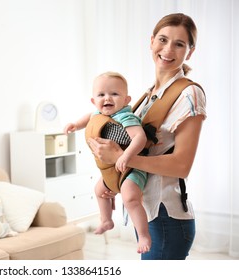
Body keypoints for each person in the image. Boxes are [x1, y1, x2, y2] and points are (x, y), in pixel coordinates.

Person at [87, 13, 206, 260]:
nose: (168, 49)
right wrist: (116, 178)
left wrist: (122, 158)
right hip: (150, 211)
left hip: (167, 217)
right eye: (162, 39)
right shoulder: (147, 96)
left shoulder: (189, 94)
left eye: (179, 44)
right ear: (151, 41)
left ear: (190, 52)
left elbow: (182, 166)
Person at [64, 71, 151, 254]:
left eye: (114, 94)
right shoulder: (98, 113)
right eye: (101, 95)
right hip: (111, 169)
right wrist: (75, 125)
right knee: (99, 190)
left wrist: (126, 156)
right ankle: (106, 220)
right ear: (94, 100)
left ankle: (143, 235)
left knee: (130, 197)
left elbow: (140, 138)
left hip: (131, 168)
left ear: (126, 99)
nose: (107, 98)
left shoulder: (125, 117)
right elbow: (89, 117)